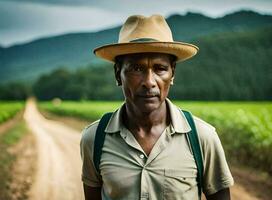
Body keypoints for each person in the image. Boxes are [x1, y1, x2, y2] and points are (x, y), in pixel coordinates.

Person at [80, 14, 234, 200]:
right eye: (136, 68)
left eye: (160, 68)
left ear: (172, 73)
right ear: (117, 74)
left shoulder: (202, 137)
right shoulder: (94, 138)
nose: (149, 82)